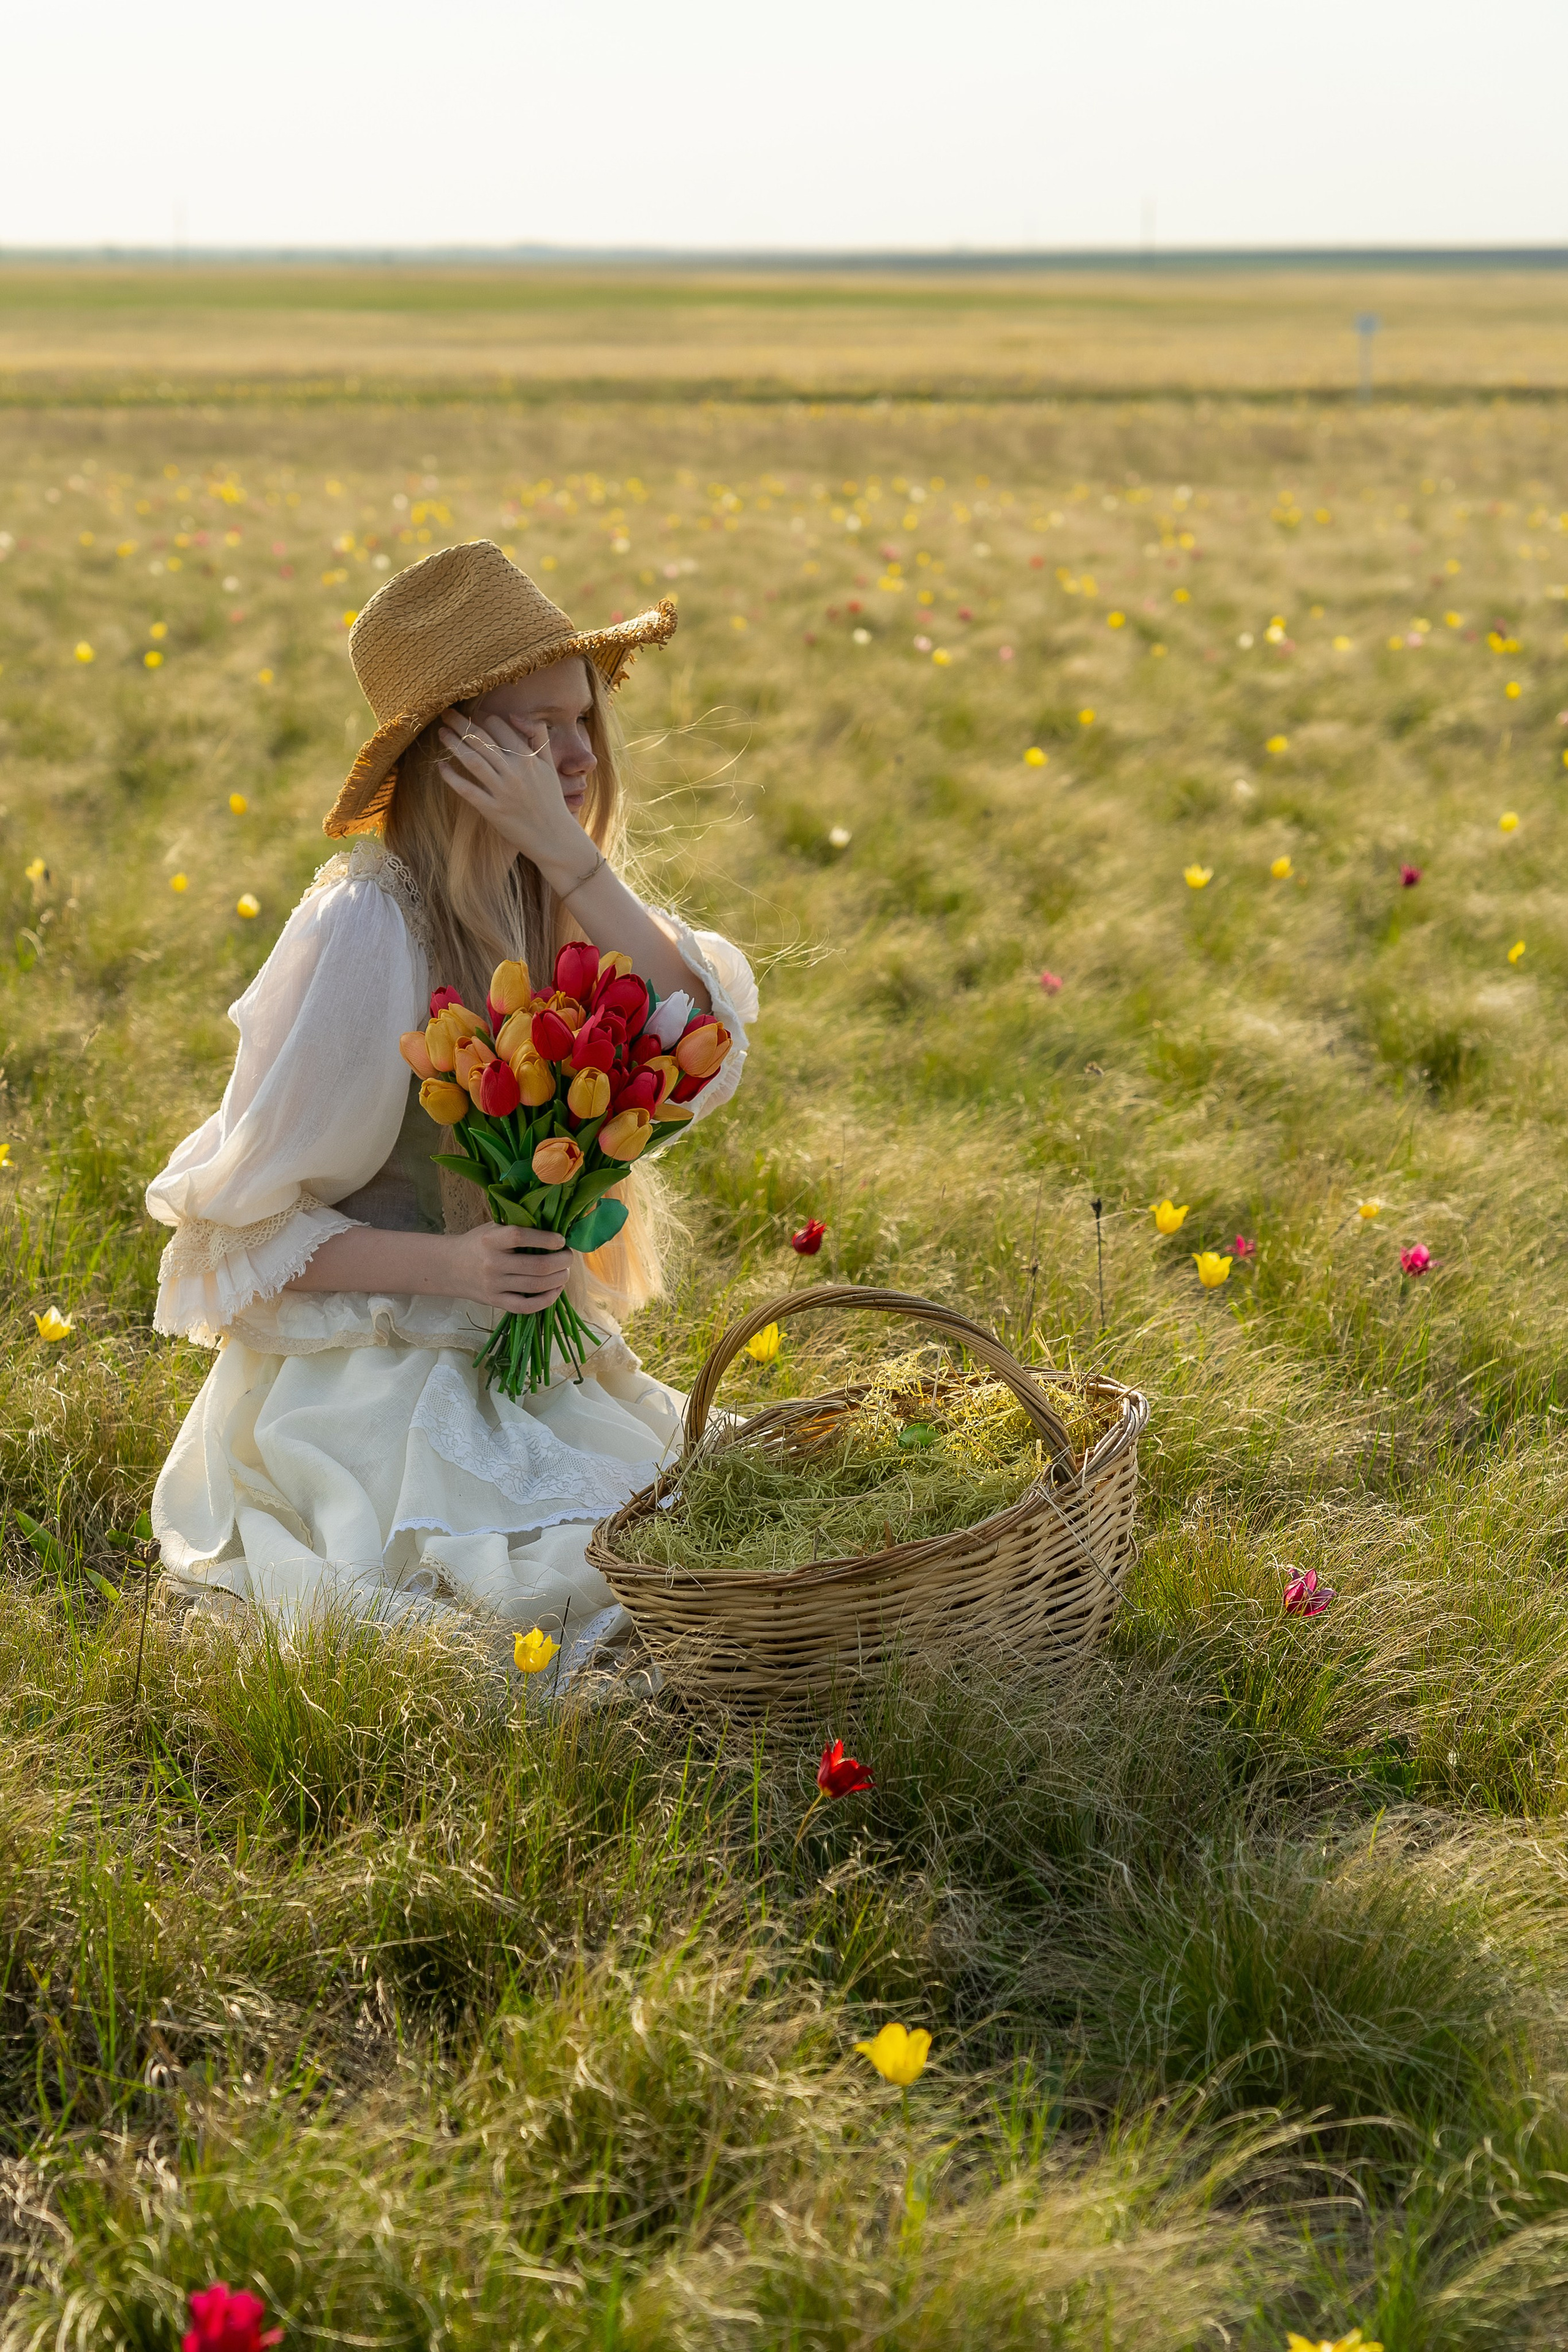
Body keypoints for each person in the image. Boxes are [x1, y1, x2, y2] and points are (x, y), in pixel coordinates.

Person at [145, 541, 756, 1658]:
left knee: (704, 1528)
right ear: (453, 751)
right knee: (555, 1582)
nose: (573, 754)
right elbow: (230, 1236)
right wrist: (458, 1270)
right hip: (368, 1370)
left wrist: (569, 858)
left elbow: (703, 1043)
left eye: (583, 720)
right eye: (533, 729)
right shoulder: (369, 925)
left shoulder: (560, 894)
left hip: (533, 1346)